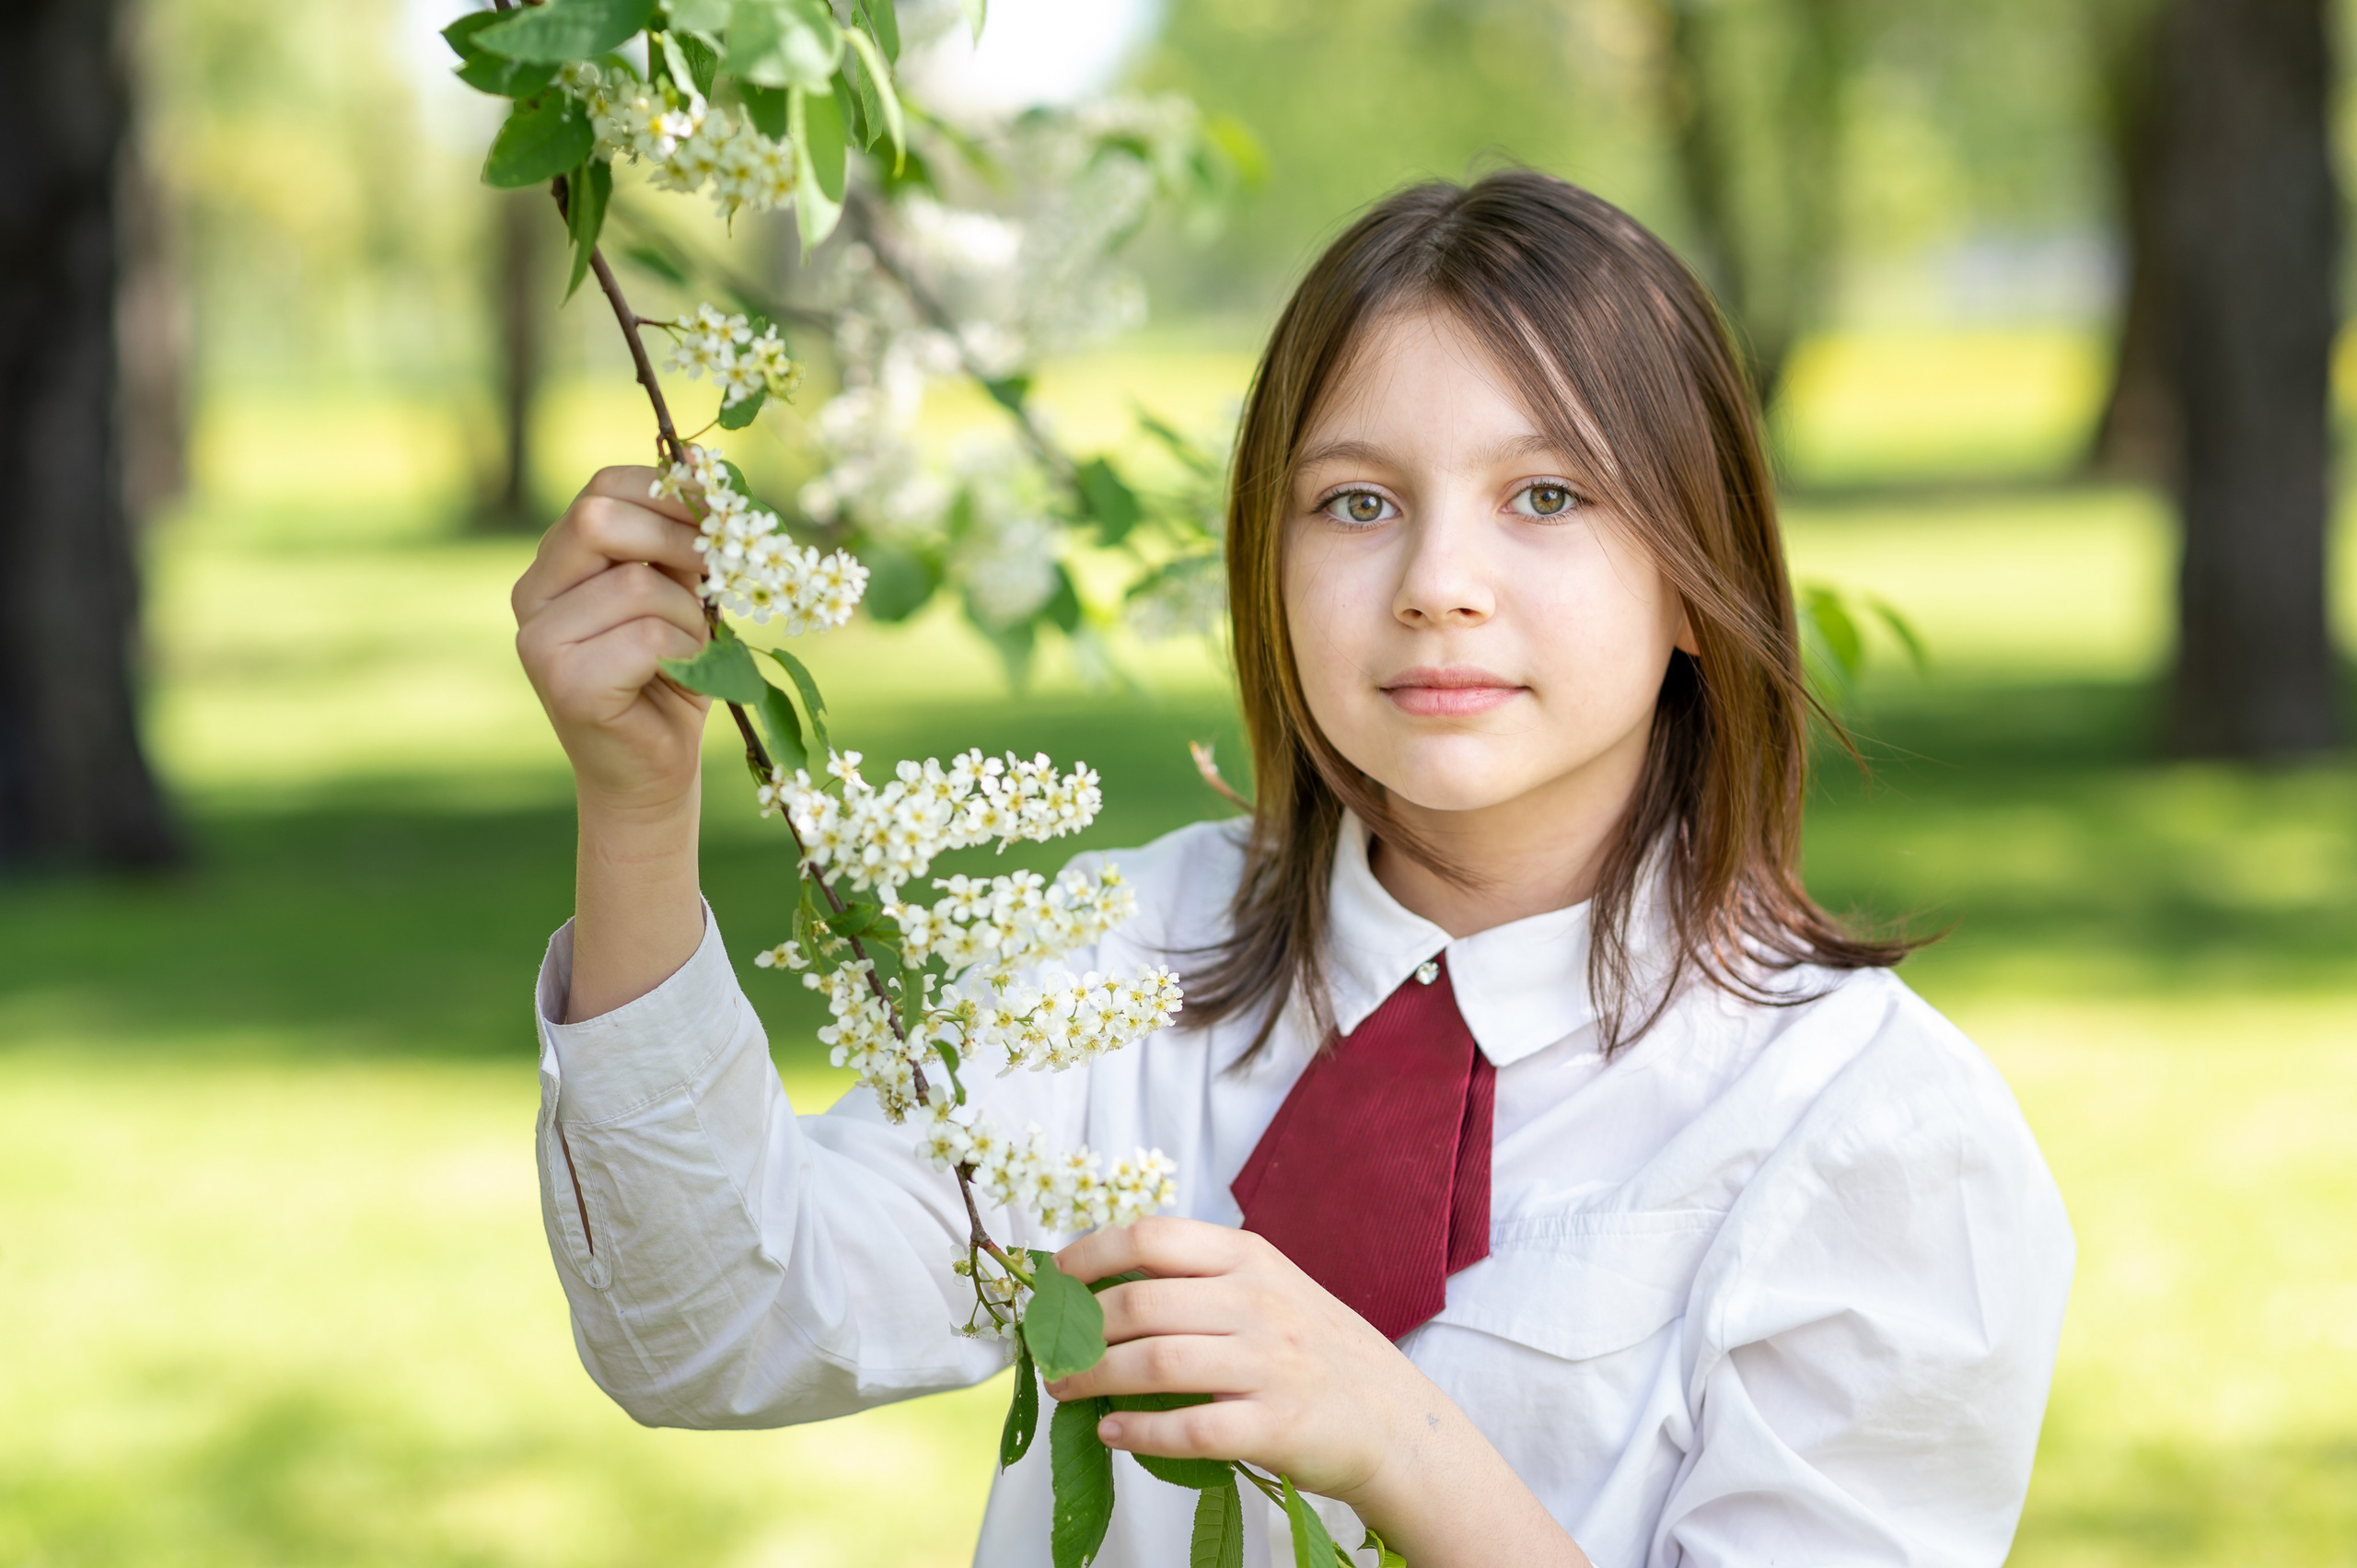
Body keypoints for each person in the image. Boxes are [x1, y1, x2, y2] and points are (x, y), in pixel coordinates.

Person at [509, 170, 2073, 1568]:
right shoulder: (1110, 967)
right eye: (1356, 503)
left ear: (1694, 575)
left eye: (1547, 496)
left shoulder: (1868, 1136)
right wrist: (638, 810)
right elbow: (712, 1327)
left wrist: (1401, 1443)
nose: (1438, 584)